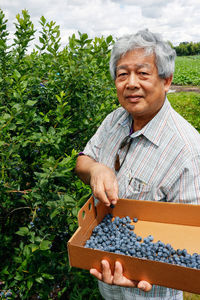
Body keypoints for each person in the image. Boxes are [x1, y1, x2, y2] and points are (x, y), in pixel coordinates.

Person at [75, 29, 200, 300]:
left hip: (152, 292)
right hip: (107, 278)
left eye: (143, 73)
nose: (131, 83)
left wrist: (143, 265)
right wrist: (97, 169)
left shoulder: (187, 152)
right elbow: (82, 161)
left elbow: (191, 237)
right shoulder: (114, 121)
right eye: (122, 74)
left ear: (166, 81)